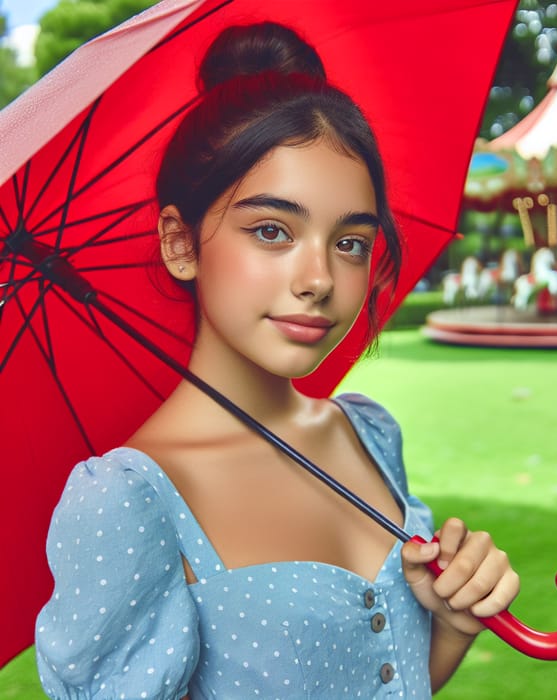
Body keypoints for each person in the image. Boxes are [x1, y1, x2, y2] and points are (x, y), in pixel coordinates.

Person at [35, 21, 519, 699]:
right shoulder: (129, 503)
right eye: (272, 231)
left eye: (351, 241)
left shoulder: (369, 435)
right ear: (181, 243)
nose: (318, 277)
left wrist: (452, 628)